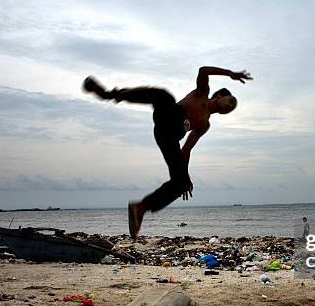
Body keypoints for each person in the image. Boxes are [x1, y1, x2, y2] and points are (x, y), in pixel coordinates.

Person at [82, 66, 252, 238]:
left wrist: (185, 177)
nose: (230, 107)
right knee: (164, 96)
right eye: (231, 101)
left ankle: (140, 208)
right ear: (220, 95)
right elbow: (203, 71)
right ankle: (109, 94)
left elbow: (186, 150)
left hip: (169, 138)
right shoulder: (202, 93)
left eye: (232, 108)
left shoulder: (204, 125)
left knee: (181, 183)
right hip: (169, 114)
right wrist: (230, 74)